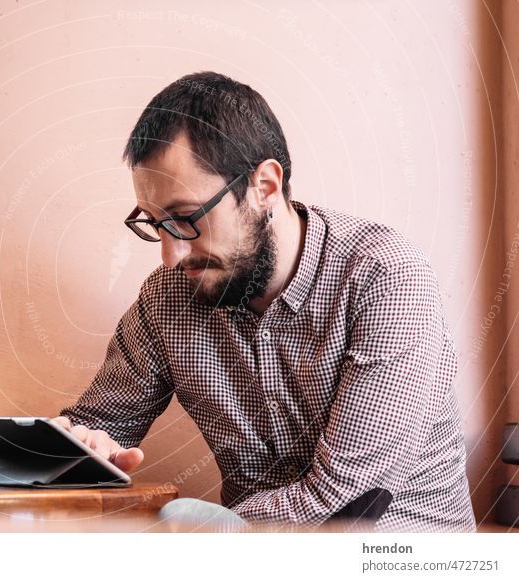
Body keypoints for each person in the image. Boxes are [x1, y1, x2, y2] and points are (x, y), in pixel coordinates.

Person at [52, 71, 476, 532]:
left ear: (265, 187)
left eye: (184, 218)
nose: (170, 255)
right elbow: (99, 423)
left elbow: (344, 500)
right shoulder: (169, 296)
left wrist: (190, 536)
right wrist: (87, 446)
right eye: (154, 222)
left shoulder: (385, 276)